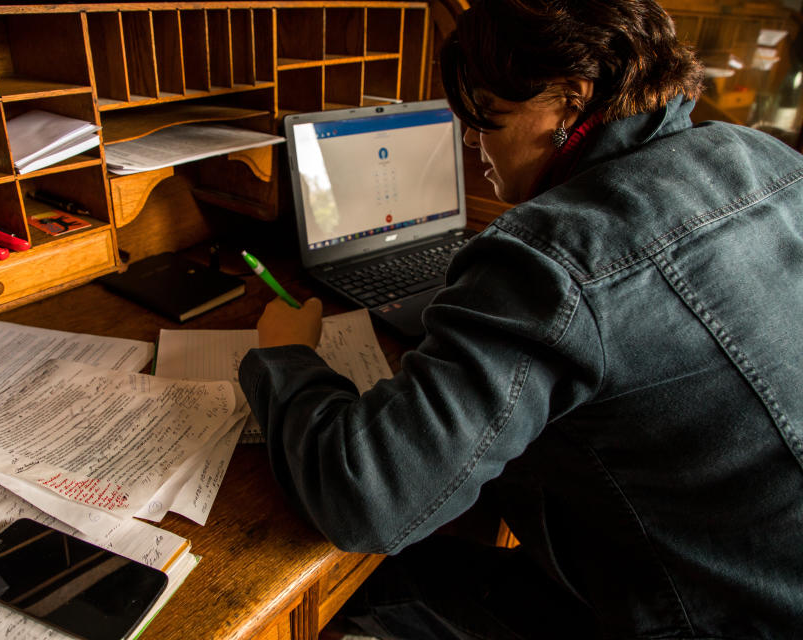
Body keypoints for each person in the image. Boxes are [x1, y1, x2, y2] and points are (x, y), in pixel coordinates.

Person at [238, 0, 803, 637]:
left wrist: (287, 358)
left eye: (491, 116)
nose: (475, 142)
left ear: (570, 97)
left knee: (376, 581)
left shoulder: (550, 253)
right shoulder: (763, 155)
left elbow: (365, 499)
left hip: (701, 616)